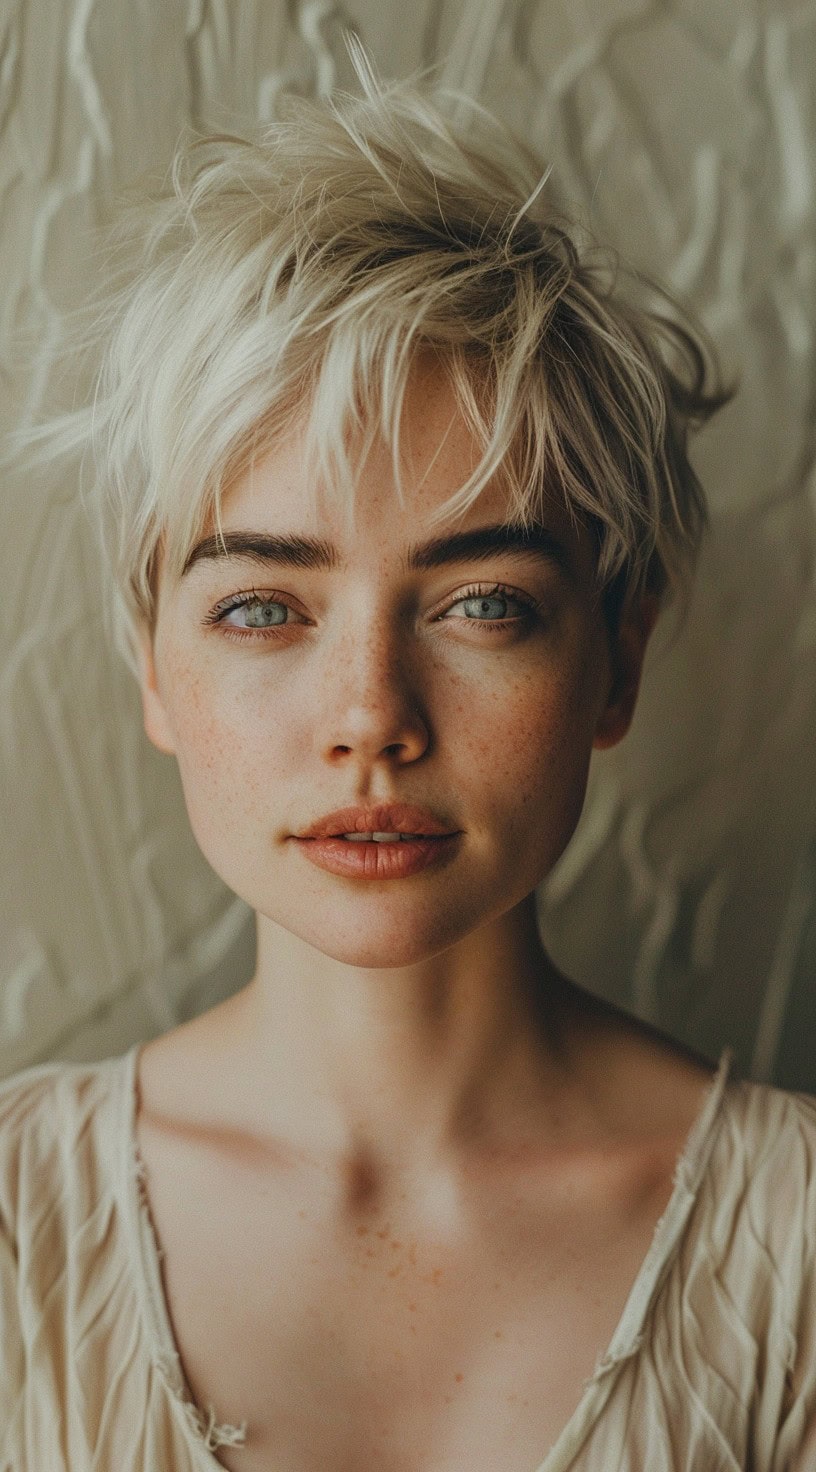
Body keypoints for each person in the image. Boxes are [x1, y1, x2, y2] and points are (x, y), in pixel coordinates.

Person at [2, 53, 815, 1472]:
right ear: (152, 664)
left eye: (482, 605)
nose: (371, 717)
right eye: (264, 607)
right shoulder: (17, 1224)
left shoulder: (797, 1252)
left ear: (617, 659)